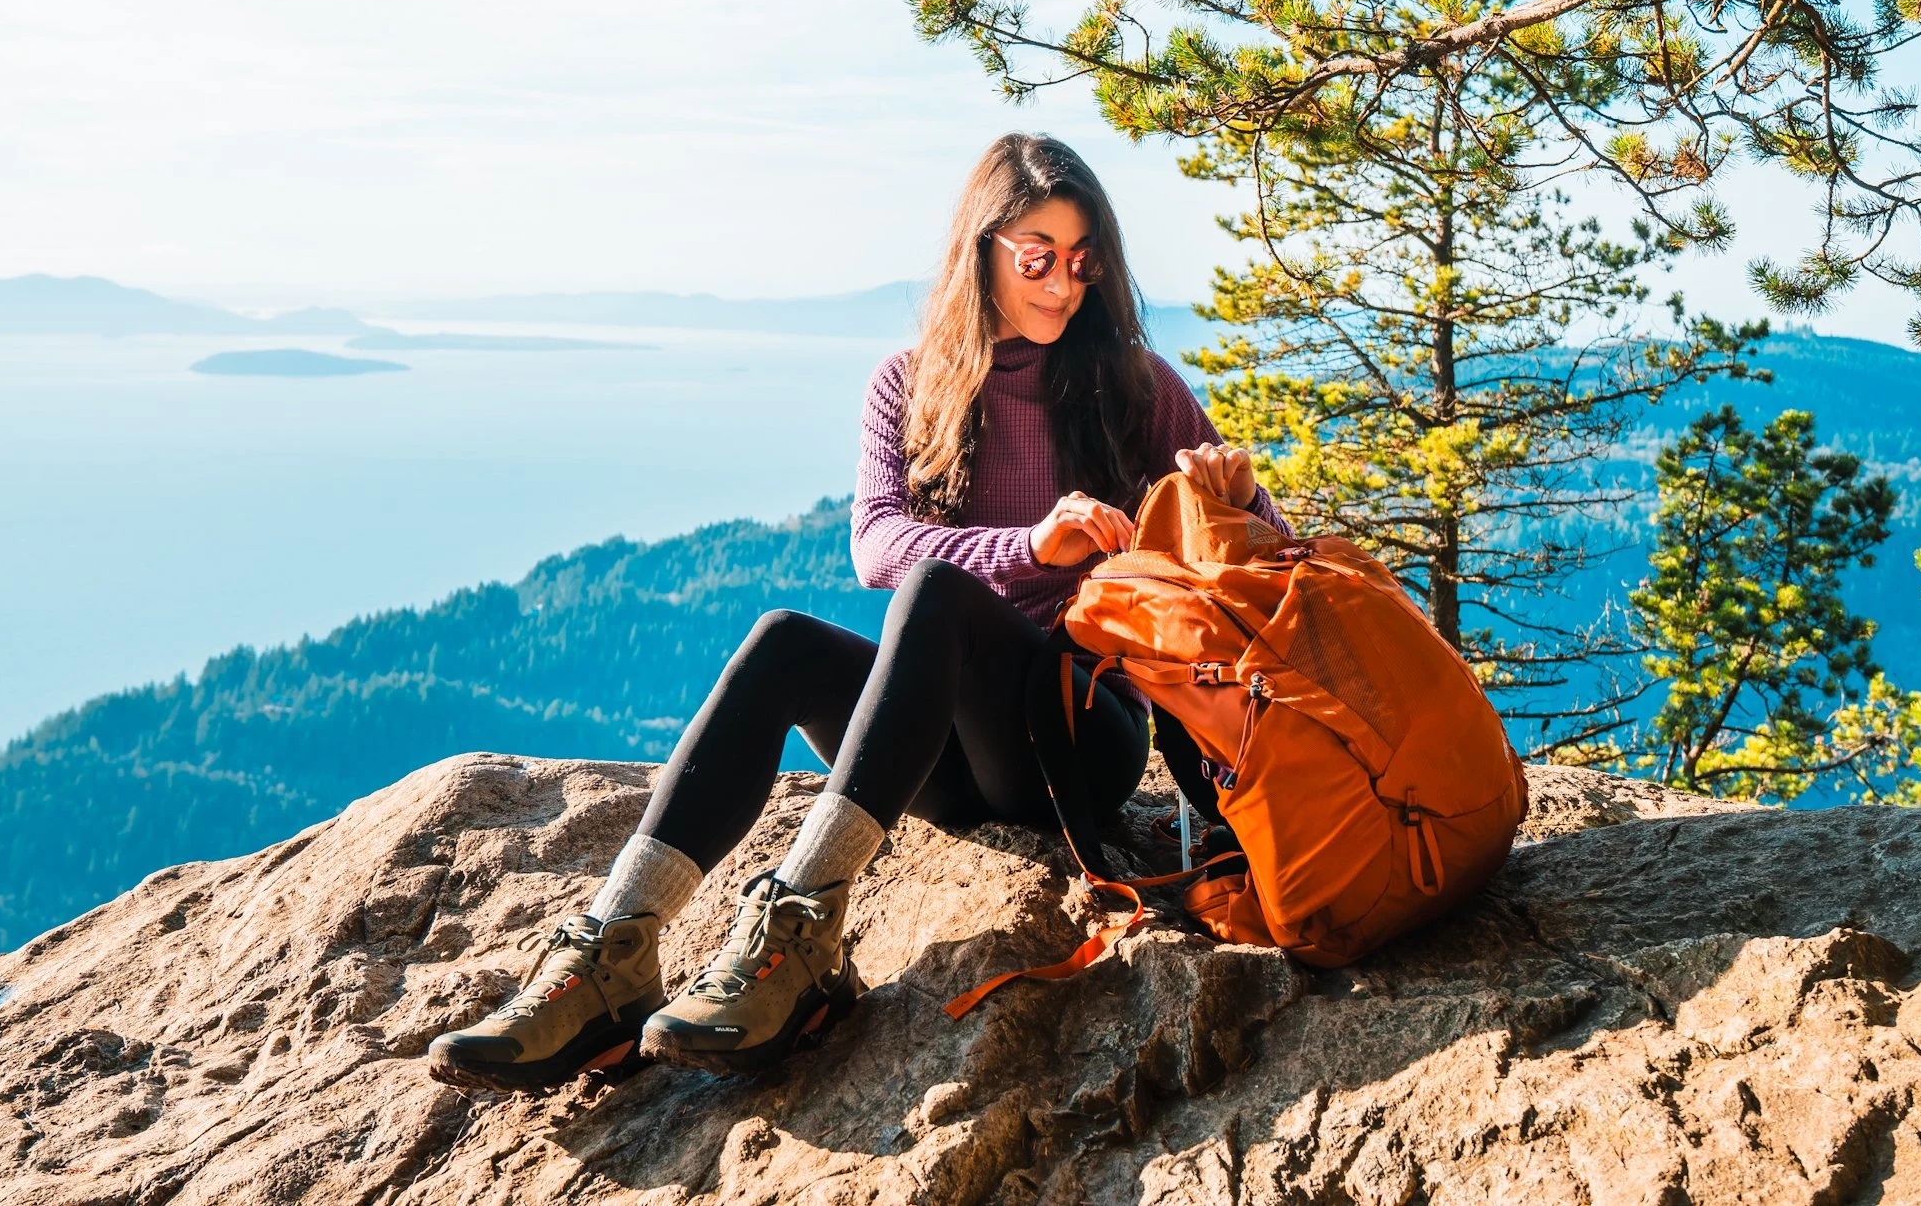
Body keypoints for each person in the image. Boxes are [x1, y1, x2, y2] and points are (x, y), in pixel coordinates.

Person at [427, 132, 1291, 1093]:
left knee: (934, 592)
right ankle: (611, 956)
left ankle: (800, 933)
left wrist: (1237, 495)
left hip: (1077, 734)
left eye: (1083, 260)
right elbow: (875, 543)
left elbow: (1264, 556)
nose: (1062, 283)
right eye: (1037, 255)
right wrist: (1028, 544)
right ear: (983, 250)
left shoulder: (1133, 384)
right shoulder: (910, 383)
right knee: (783, 643)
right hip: (943, 756)